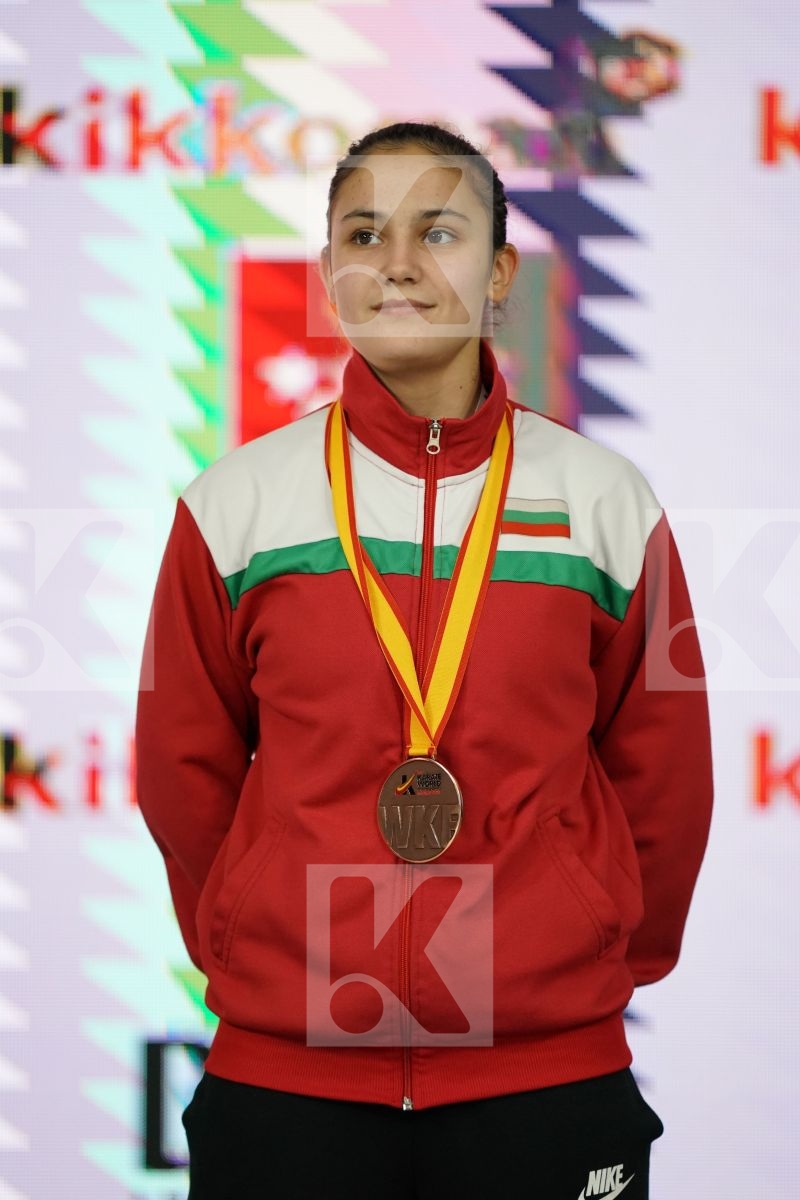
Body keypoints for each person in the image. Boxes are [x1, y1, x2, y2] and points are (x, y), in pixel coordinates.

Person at [135, 121, 713, 1199]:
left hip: (547, 1079)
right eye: (363, 231)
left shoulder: (604, 503)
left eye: (437, 230)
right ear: (328, 275)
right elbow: (183, 775)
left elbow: (664, 780)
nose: (397, 262)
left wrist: (580, 954)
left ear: (498, 271)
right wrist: (255, 953)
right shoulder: (238, 506)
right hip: (287, 1084)